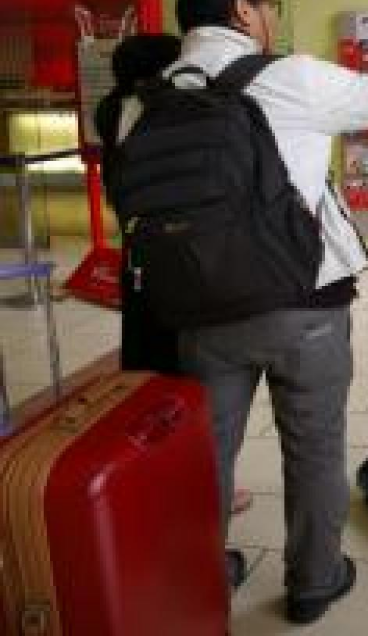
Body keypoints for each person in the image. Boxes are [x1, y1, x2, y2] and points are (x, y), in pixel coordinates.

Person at [168, 0, 368, 624]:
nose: (270, 15)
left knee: (207, 454)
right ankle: (313, 580)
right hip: (298, 302)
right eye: (266, 3)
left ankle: (205, 573)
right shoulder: (288, 77)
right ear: (244, 11)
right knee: (314, 445)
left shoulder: (152, 93)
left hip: (196, 309)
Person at [94, 33, 255, 518]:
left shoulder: (112, 110)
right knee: (189, 380)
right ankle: (197, 488)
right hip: (179, 263)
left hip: (139, 260)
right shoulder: (162, 110)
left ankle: (147, 479)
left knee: (146, 374)